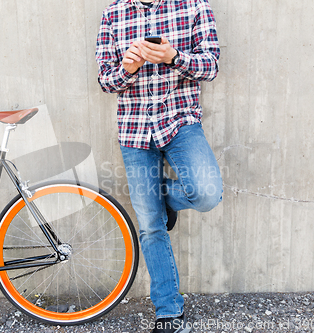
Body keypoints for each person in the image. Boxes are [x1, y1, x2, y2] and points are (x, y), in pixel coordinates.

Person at [95, 0, 223, 332]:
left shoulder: (195, 5)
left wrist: (173, 58)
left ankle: (158, 198)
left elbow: (210, 66)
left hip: (180, 122)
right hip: (134, 128)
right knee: (151, 225)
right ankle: (168, 310)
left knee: (207, 194)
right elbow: (106, 81)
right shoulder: (113, 13)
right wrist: (128, 68)